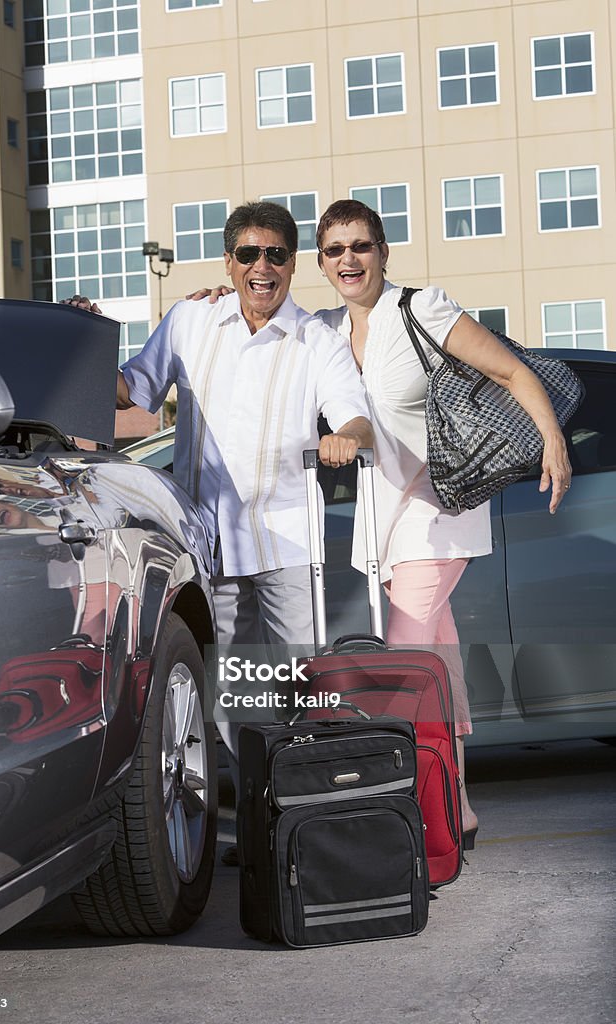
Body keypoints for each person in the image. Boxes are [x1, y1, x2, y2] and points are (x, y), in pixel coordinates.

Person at [191, 198, 572, 848]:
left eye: (360, 246)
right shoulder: (325, 329)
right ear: (320, 262)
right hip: (382, 519)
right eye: (335, 250)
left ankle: (417, 816)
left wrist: (553, 441)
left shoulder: (422, 310)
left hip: (438, 509)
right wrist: (217, 301)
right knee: (435, 662)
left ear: (382, 251)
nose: (349, 259)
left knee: (402, 657)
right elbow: (263, 322)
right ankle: (457, 809)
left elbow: (509, 369)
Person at [64, 201, 373, 861]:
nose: (262, 268)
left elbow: (354, 416)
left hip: (287, 546)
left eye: (276, 255)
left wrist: (344, 437)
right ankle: (264, 828)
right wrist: (84, 337)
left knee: (298, 684)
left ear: (293, 264)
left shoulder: (316, 340)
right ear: (228, 262)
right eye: (248, 255)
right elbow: (132, 394)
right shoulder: (190, 319)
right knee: (227, 696)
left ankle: (305, 828)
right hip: (210, 545)